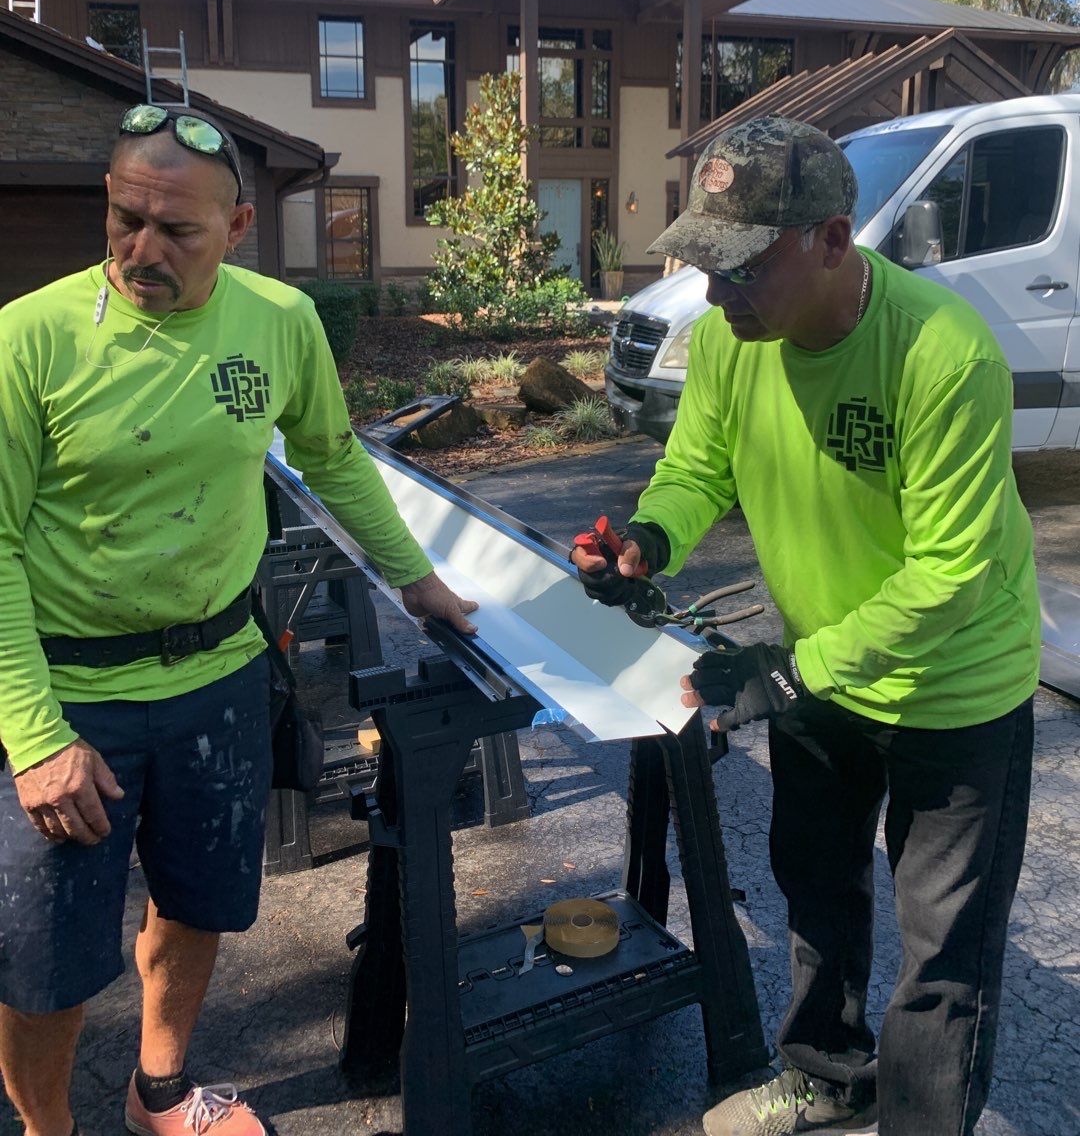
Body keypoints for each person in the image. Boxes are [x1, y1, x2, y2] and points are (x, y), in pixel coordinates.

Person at [0, 104, 478, 1136]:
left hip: (218, 676)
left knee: (197, 903)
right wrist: (36, 736)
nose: (141, 250)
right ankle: (49, 1129)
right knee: (44, 961)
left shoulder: (277, 321)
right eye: (126, 218)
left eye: (178, 231)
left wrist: (415, 579)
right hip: (72, 694)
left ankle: (159, 1093)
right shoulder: (27, 340)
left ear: (239, 226)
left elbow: (333, 455)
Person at [573, 115, 1038, 1136]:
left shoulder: (943, 354)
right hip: (820, 675)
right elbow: (699, 466)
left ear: (834, 239)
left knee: (943, 959)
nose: (715, 294)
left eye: (741, 269)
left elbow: (951, 578)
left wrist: (785, 675)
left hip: (953, 689)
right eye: (706, 265)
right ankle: (825, 1075)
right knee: (818, 892)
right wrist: (649, 537)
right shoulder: (735, 340)